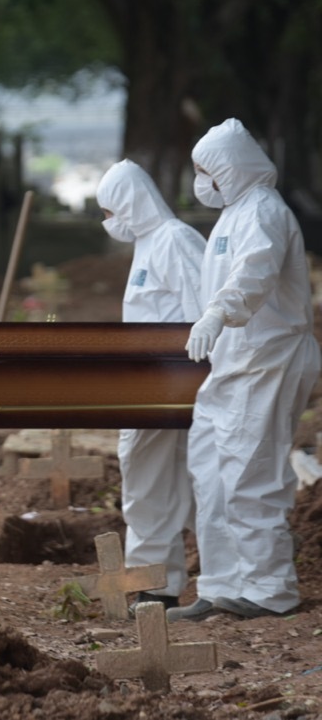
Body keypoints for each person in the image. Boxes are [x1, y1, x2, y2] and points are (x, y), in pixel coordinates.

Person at [169, 118, 321, 621]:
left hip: (267, 359)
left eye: (205, 170)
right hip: (236, 362)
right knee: (210, 470)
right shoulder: (234, 214)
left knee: (251, 472)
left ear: (229, 168)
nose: (201, 180)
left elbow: (253, 274)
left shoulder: (263, 212)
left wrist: (218, 313)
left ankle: (270, 589)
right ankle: (222, 583)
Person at [96, 159, 205, 611]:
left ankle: (191, 583)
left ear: (130, 203)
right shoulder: (148, 244)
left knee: (168, 483)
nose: (107, 222)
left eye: (110, 210)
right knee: (148, 482)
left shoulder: (176, 241)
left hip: (175, 384)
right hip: (149, 384)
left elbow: (204, 312)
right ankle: (157, 583)